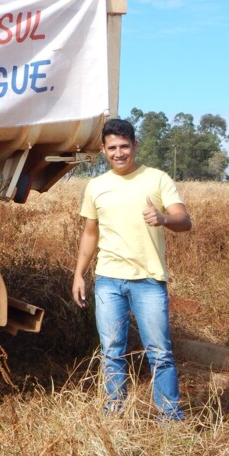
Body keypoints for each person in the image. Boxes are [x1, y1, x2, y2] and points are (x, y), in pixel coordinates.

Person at [72, 118, 191, 421]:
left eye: (125, 146)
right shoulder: (96, 186)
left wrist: (164, 219)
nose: (119, 153)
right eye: (112, 147)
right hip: (108, 281)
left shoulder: (157, 179)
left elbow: (184, 220)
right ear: (103, 150)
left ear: (135, 146)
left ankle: (170, 418)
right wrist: (79, 273)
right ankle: (114, 415)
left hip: (149, 281)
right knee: (111, 351)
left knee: (160, 353)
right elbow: (90, 233)